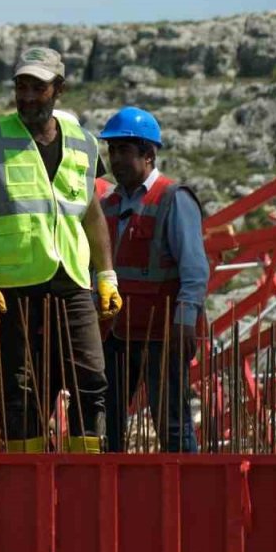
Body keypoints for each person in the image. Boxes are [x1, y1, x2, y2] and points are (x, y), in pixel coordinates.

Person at [0, 47, 121, 452]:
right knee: (23, 389)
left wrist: (106, 276)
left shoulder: (83, 144)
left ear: (58, 89)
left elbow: (92, 215)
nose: (27, 96)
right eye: (21, 86)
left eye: (37, 87)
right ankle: (24, 477)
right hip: (14, 286)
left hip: (72, 280)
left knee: (91, 378)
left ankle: (83, 473)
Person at [98, 106, 207, 453]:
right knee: (106, 420)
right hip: (120, 332)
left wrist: (186, 321)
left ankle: (188, 495)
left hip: (164, 335)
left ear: (148, 154)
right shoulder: (108, 205)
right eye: (112, 150)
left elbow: (194, 269)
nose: (115, 159)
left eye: (123, 151)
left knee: (171, 424)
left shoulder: (174, 199)